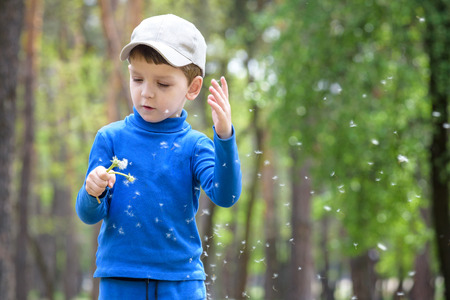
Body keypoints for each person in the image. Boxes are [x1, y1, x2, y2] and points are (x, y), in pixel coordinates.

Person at [76, 14, 242, 300]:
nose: (146, 93)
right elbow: (88, 214)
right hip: (120, 278)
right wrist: (92, 192)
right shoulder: (110, 139)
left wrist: (224, 136)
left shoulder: (195, 145)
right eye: (137, 78)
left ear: (193, 87)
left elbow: (225, 196)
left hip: (181, 282)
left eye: (163, 84)